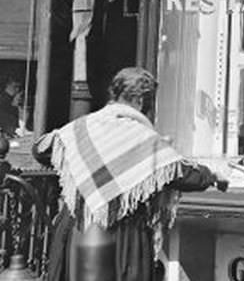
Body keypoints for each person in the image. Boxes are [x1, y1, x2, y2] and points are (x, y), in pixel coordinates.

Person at [33, 67, 228, 281]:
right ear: (142, 101)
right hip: (122, 235)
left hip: (75, 228)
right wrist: (212, 175)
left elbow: (41, 150)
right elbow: (183, 175)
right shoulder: (142, 137)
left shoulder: (82, 127)